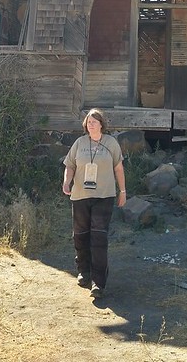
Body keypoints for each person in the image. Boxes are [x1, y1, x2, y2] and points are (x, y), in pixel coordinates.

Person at [62, 108, 127, 298]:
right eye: (88, 121)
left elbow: (119, 169)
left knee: (99, 238)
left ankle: (98, 282)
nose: (91, 124)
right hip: (80, 195)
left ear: (101, 124)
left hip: (104, 196)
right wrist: (67, 182)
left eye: (94, 121)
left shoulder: (111, 143)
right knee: (80, 236)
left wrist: (122, 191)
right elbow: (70, 165)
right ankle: (84, 271)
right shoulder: (79, 143)